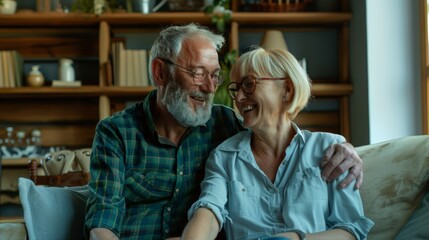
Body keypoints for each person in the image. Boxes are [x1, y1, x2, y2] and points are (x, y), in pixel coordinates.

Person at [84, 23, 364, 240]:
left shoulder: (226, 125)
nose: (210, 88)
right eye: (197, 72)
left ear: (286, 89)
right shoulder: (117, 132)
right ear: (160, 73)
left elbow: (352, 227)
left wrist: (349, 150)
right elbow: (103, 222)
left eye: (215, 75)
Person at [181, 47, 374, 240]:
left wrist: (295, 239)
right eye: (236, 89)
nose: (239, 98)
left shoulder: (330, 149)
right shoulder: (225, 157)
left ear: (287, 90)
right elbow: (209, 210)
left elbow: (352, 231)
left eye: (249, 84)